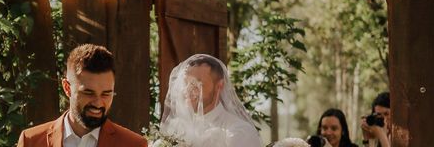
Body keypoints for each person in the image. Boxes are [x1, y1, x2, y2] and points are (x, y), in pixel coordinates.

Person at [17, 43, 147, 147]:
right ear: (67, 88)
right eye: (88, 93)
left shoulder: (134, 144)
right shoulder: (31, 141)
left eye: (106, 94)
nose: (98, 103)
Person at [160, 53, 261, 147]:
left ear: (219, 86)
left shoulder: (239, 131)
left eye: (196, 84)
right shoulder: (176, 129)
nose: (188, 90)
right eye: (185, 83)